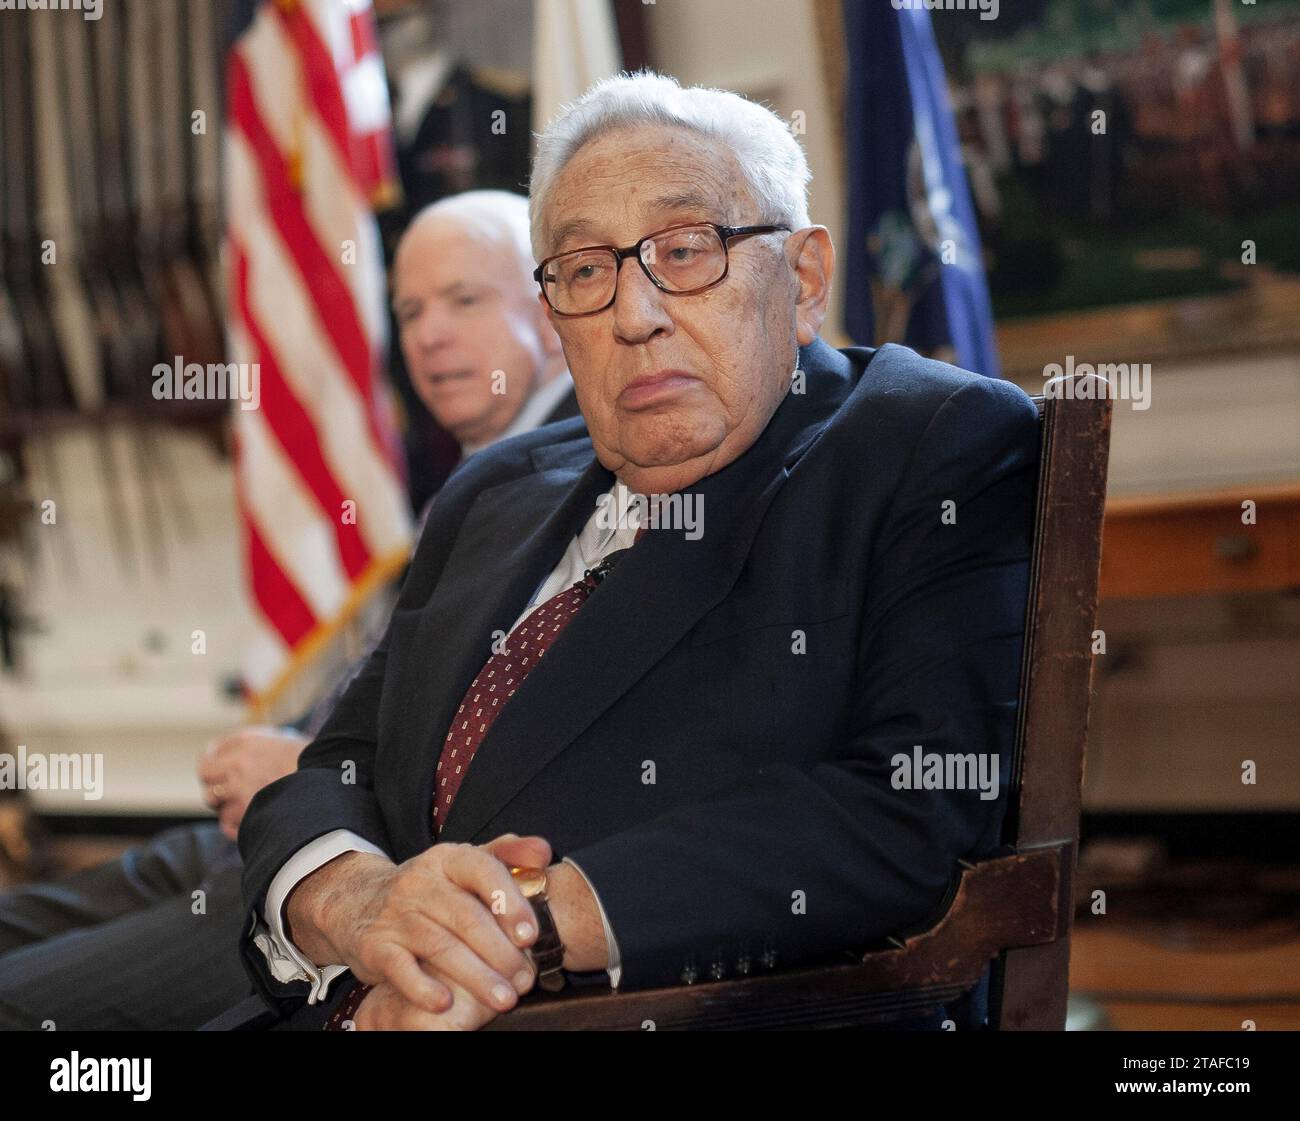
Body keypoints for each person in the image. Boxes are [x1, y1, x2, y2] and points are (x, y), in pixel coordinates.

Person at [228, 71, 1040, 1032]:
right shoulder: (495, 487)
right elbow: (339, 761)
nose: (634, 314)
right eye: (582, 270)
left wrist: (516, 927)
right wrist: (356, 904)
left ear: (807, 276)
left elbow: (909, 806)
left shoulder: (921, 443)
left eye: (688, 251)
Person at [0, 190, 580, 1030]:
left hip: (361, 870)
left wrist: (313, 763)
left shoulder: (573, 472)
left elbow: (504, 741)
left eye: (465, 299)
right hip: (268, 835)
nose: (430, 335)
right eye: (410, 309)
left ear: (551, 308)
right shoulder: (476, 472)